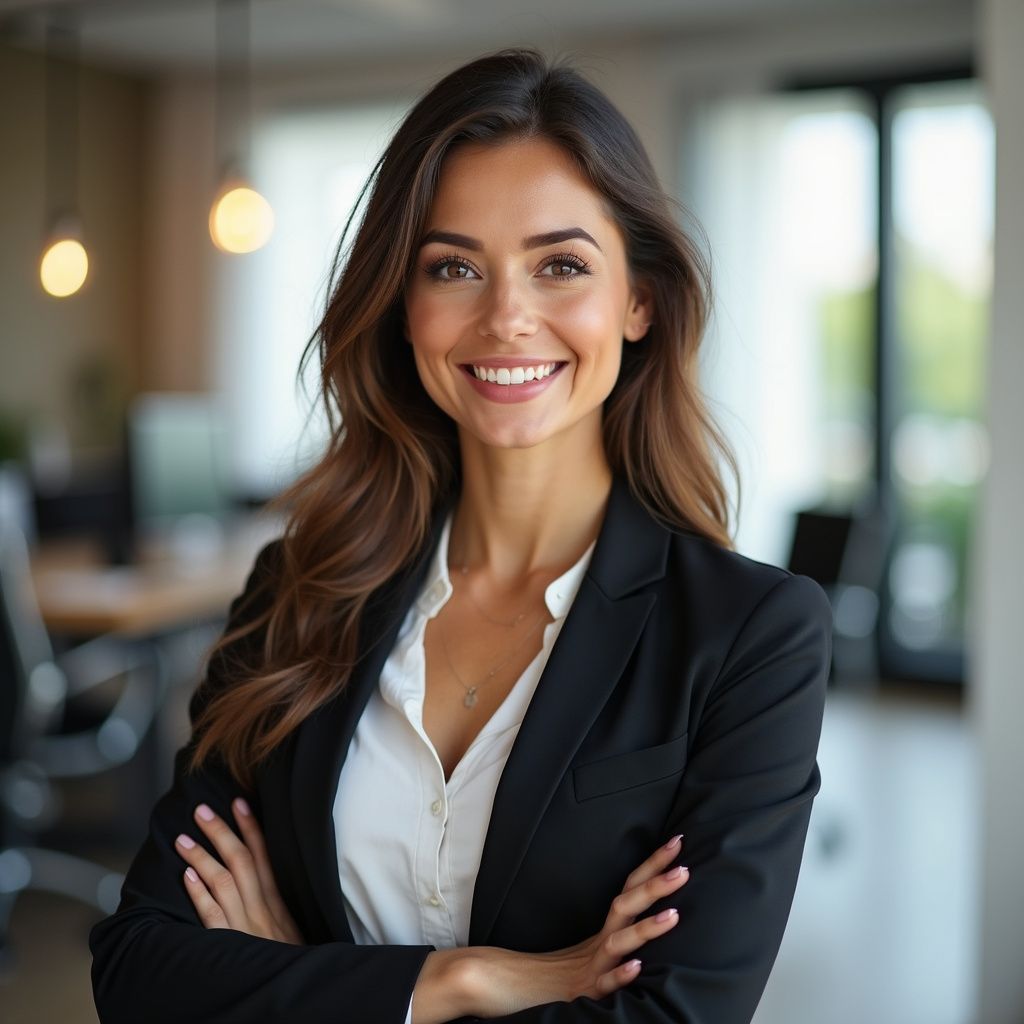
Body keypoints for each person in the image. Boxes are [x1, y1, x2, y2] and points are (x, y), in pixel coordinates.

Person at [89, 47, 832, 1024]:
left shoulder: (753, 635)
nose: (506, 317)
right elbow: (138, 970)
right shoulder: (300, 588)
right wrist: (458, 980)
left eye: (560, 264)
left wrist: (295, 985)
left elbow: (670, 1016)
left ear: (638, 299)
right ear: (405, 307)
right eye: (453, 267)